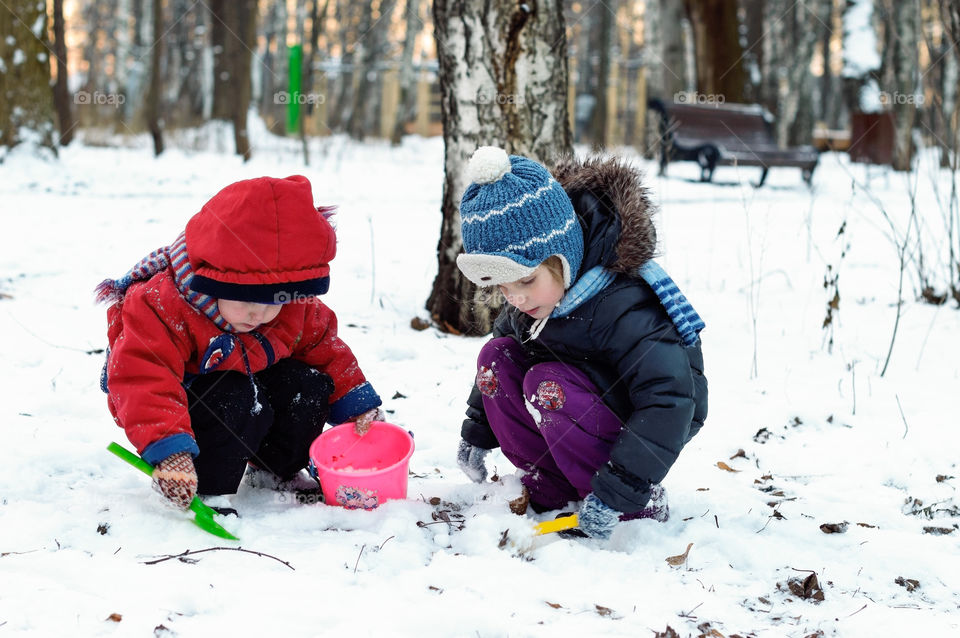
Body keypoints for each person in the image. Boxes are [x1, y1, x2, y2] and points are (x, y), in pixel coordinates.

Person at [454, 147, 708, 540]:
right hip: (572, 411)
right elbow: (500, 365)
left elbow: (669, 400)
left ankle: (627, 505)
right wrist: (477, 433)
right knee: (497, 357)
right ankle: (550, 485)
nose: (516, 297)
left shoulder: (623, 303)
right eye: (503, 286)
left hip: (632, 434)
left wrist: (619, 492)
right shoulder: (536, 303)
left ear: (564, 256)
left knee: (546, 383)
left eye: (525, 280)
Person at [96, 175, 383, 512]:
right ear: (214, 279)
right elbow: (143, 379)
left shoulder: (289, 306)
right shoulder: (163, 304)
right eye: (246, 299)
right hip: (185, 404)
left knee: (307, 385)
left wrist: (358, 406)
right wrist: (170, 450)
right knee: (236, 396)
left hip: (249, 385)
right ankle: (202, 484)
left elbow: (326, 350)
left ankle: (276, 471)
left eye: (270, 302)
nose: (258, 313)